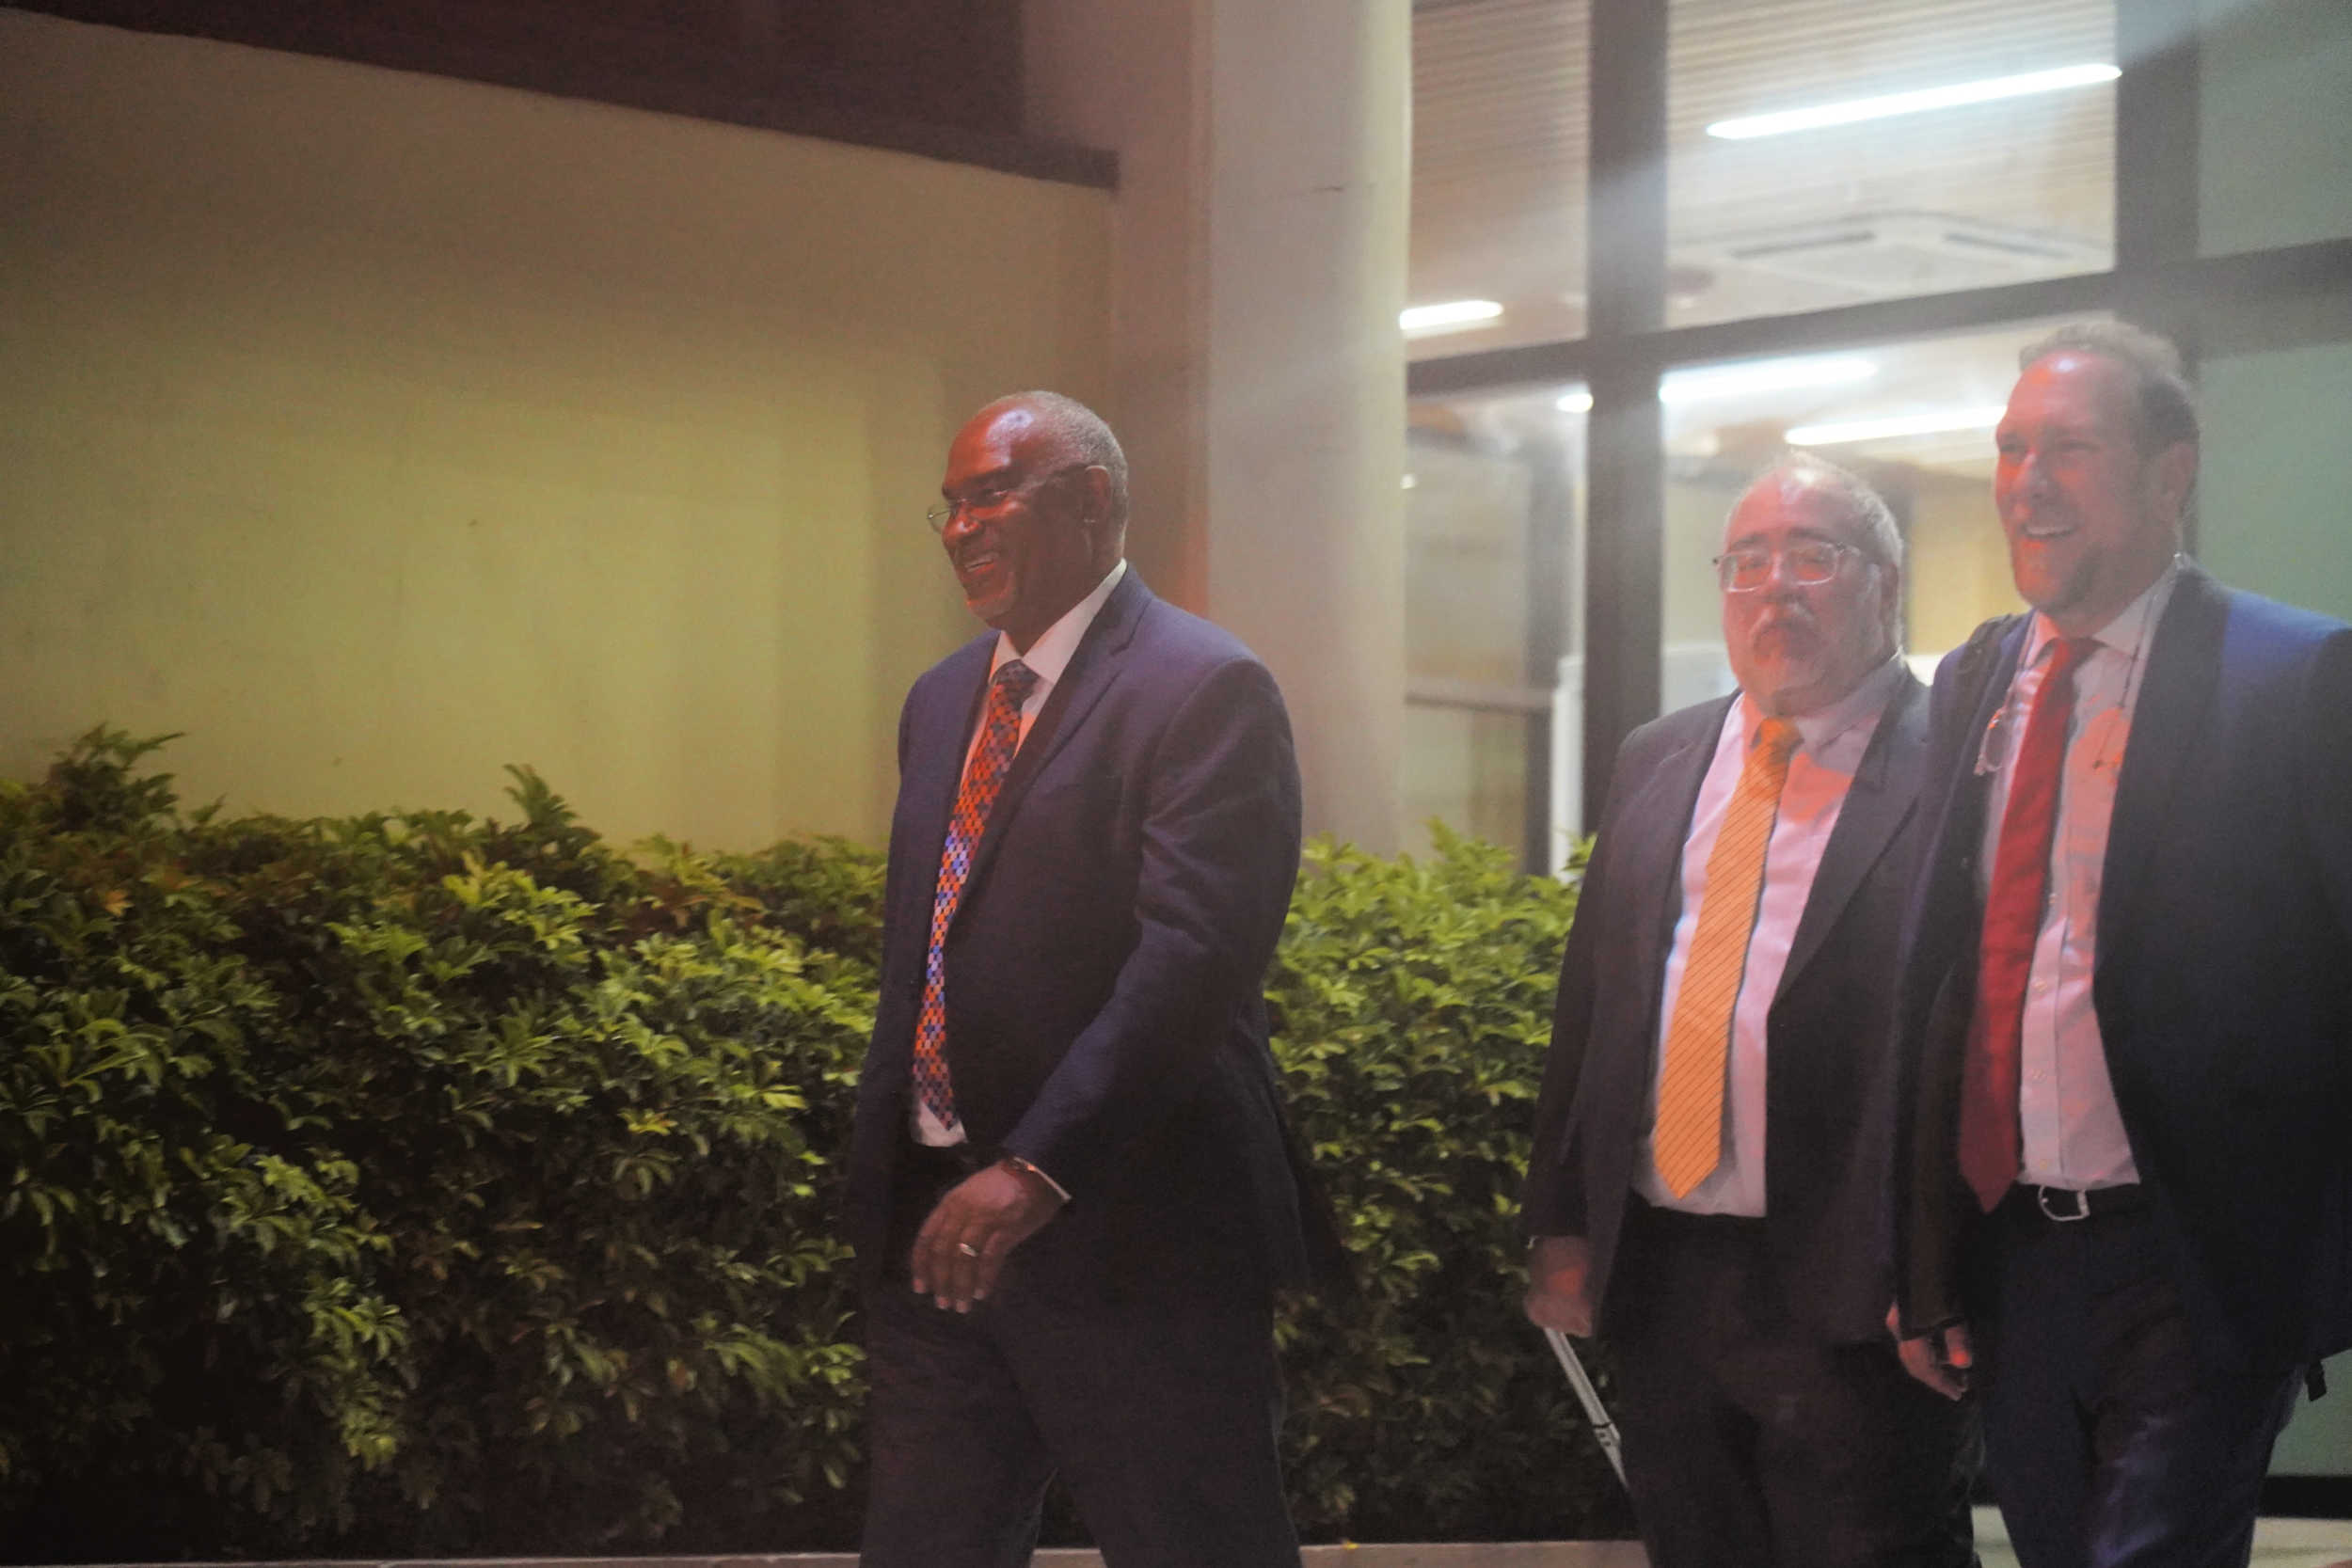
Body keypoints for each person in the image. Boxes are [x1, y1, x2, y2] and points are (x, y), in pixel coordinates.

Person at [841, 391, 1343, 1568]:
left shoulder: (1201, 685)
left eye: (991, 494)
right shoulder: (940, 699)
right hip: (939, 1231)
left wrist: (1036, 1164)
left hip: (1139, 1235)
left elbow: (1194, 959)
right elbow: (926, 947)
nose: (961, 527)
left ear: (1093, 498)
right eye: (949, 504)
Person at [1892, 322, 2352, 1568]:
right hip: (2015, 1251)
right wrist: (1924, 1255)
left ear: (2168, 474)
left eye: (2071, 449)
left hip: (2195, 1252)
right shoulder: (1979, 679)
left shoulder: (2295, 675)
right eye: (2010, 449)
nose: (2027, 482)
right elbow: (1944, 982)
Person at [1521, 456, 1975, 1568]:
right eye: (1747, 561)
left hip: (1852, 1281)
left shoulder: (1958, 765)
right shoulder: (1659, 752)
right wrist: (1563, 1219)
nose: (1775, 587)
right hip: (1665, 1269)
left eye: (1812, 556)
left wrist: (1942, 1269)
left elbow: (1969, 1036)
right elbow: (1596, 1004)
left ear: (1884, 582)